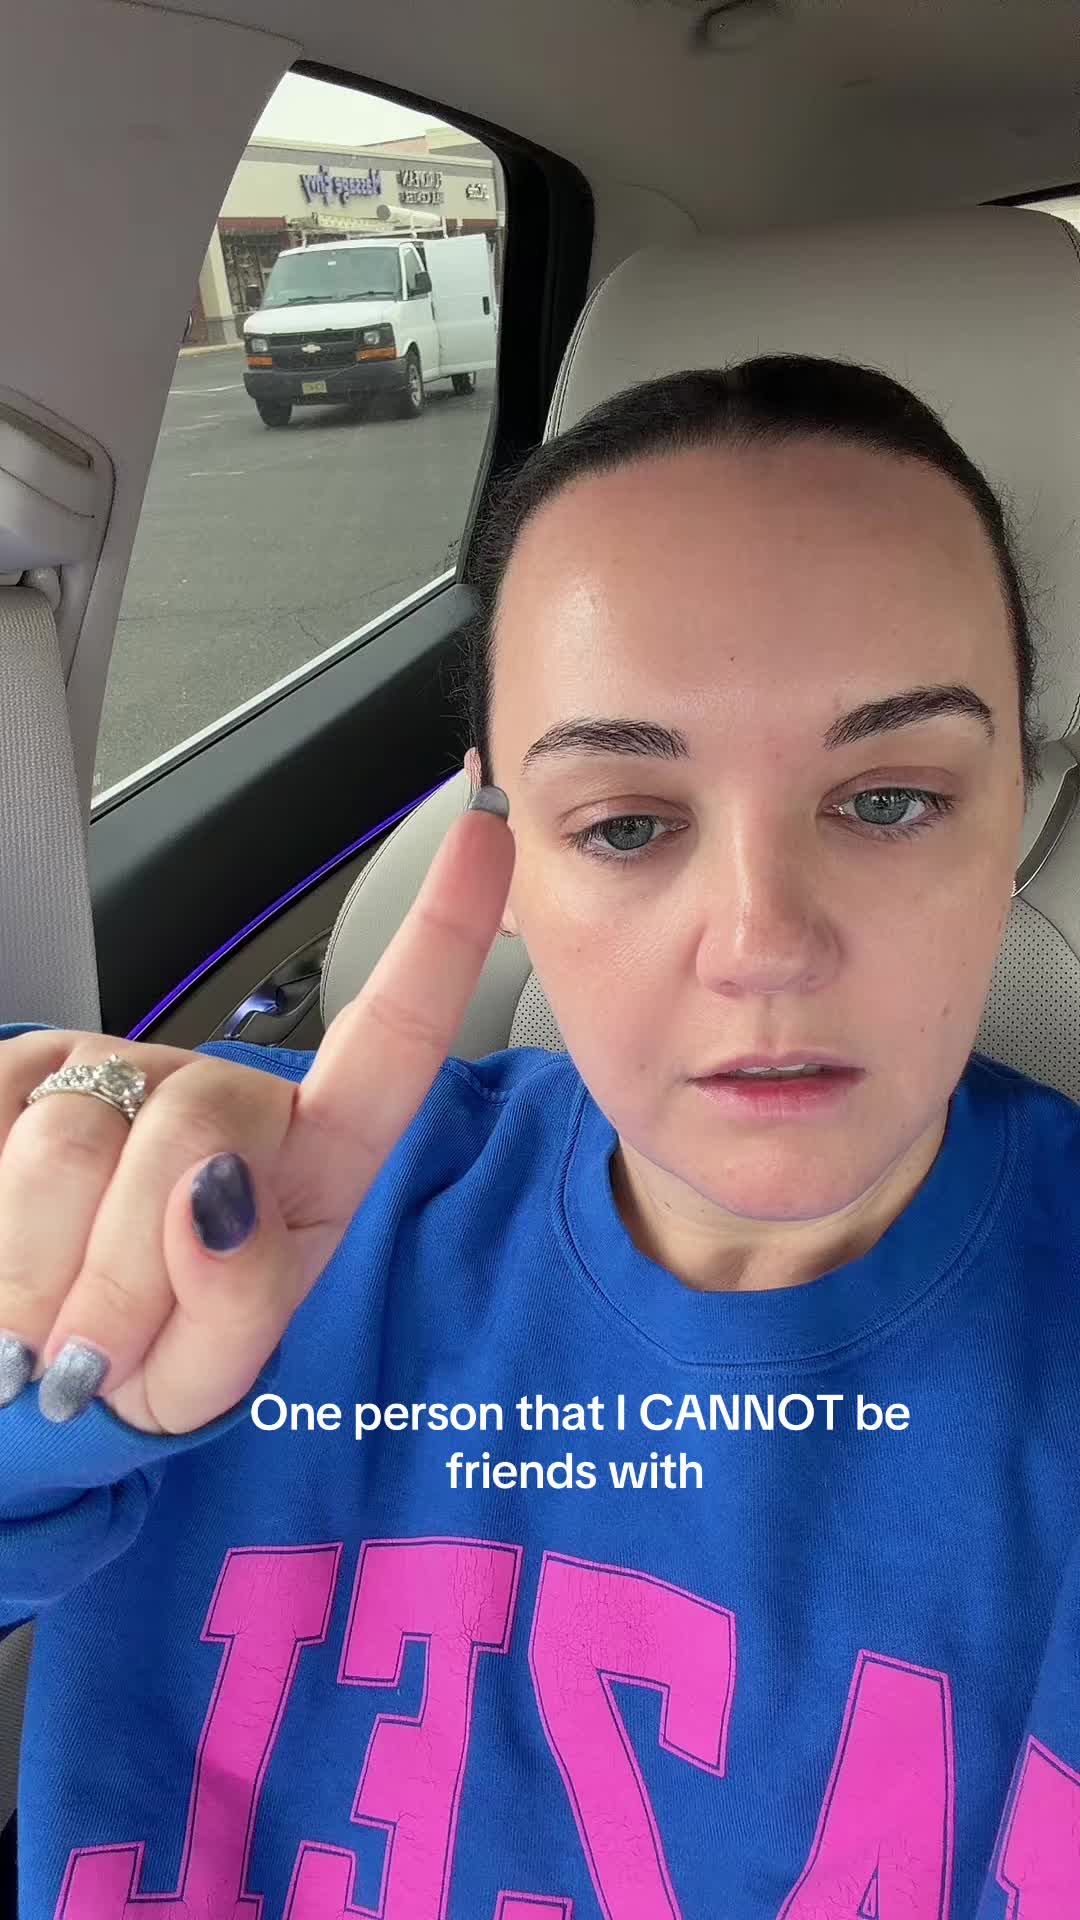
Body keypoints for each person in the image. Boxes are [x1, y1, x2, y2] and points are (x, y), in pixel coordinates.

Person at [1, 354, 1078, 1918]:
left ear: (1015, 810)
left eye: (891, 800)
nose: (763, 946)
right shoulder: (237, 1238)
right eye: (627, 824)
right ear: (496, 845)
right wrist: (51, 1328)